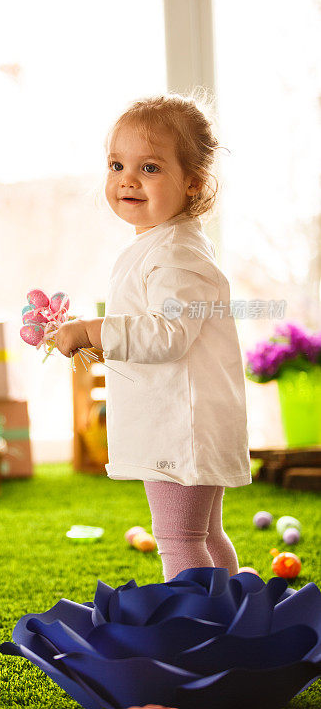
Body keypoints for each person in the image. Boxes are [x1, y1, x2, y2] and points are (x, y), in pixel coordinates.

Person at [54, 92, 252, 583]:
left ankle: (198, 631)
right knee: (204, 535)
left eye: (150, 168)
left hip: (179, 427)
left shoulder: (176, 254)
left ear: (192, 183)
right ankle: (227, 618)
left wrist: (93, 331)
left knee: (180, 540)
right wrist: (94, 335)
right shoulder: (165, 244)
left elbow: (168, 335)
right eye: (117, 164)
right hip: (188, 422)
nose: (127, 179)